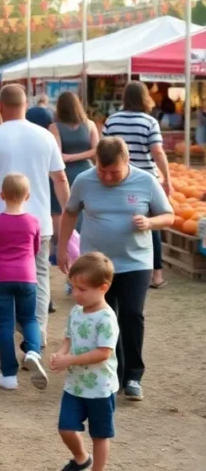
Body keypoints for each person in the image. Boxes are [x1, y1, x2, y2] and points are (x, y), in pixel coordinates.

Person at [58, 138, 174, 402]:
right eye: (103, 171)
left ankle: (133, 375)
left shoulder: (145, 181)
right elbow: (70, 213)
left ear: (127, 161)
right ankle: (112, 373)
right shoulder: (85, 181)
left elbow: (169, 216)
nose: (108, 177)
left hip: (135, 262)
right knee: (102, 318)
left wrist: (150, 221)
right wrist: (62, 248)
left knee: (132, 314)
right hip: (96, 264)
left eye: (115, 172)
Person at [0, 84, 69, 341]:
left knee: (6, 273)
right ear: (26, 105)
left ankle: (18, 323)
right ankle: (38, 333)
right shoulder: (45, 136)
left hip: (1, 223)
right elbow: (60, 179)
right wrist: (68, 212)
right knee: (39, 276)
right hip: (39, 223)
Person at [0, 173, 49, 391]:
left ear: (1, 195)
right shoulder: (33, 221)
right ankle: (33, 351)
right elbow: (35, 249)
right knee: (29, 319)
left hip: (1, 277)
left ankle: (8, 375)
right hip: (27, 277)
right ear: (28, 196)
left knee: (5, 323)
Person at [49, 253, 120, 471]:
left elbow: (103, 353)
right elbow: (68, 339)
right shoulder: (76, 312)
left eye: (82, 289)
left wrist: (69, 359)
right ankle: (81, 458)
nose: (75, 294)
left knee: (100, 435)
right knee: (66, 428)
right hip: (75, 385)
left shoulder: (106, 318)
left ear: (103, 287)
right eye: (72, 287)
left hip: (100, 388)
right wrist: (60, 355)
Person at [102, 81, 172, 289]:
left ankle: (112, 269)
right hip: (145, 180)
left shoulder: (112, 121)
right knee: (151, 226)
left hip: (116, 179)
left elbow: (104, 150)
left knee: (115, 222)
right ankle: (156, 275)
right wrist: (167, 178)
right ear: (145, 98)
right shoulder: (149, 122)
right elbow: (157, 152)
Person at [50, 91, 99, 249]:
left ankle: (65, 245)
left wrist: (70, 157)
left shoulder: (54, 127)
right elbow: (96, 150)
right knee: (87, 207)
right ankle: (86, 241)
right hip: (86, 170)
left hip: (64, 173)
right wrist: (79, 156)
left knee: (64, 208)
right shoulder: (90, 124)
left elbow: (59, 154)